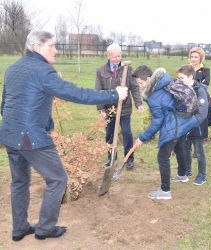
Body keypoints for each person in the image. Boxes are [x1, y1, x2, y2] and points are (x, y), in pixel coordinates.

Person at [0, 31, 128, 241]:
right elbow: (76, 93)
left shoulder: (13, 69)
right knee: (58, 178)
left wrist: (23, 127)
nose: (56, 50)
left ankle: (19, 228)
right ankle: (45, 228)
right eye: (52, 46)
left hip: (10, 134)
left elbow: (5, 105)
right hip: (30, 137)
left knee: (19, 182)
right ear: (37, 47)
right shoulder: (43, 71)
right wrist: (114, 94)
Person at [132, 65, 202, 200]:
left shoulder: (154, 96)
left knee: (163, 156)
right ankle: (182, 174)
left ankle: (165, 191)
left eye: (141, 83)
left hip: (174, 124)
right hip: (184, 120)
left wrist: (142, 137)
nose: (140, 86)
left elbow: (157, 121)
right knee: (180, 145)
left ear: (147, 79)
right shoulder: (165, 82)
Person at [95, 43, 143, 169]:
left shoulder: (128, 69)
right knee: (109, 134)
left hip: (125, 108)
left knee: (127, 133)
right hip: (109, 109)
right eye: (114, 56)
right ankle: (111, 156)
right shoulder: (101, 71)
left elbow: (134, 87)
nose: (117, 59)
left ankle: (129, 158)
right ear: (108, 56)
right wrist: (101, 109)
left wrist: (138, 103)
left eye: (119, 56)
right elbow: (98, 91)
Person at [174, 65, 208, 185]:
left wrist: (191, 123)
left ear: (191, 77)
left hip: (197, 126)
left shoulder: (200, 90)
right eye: (178, 78)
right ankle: (187, 171)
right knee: (185, 149)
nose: (179, 80)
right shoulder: (181, 88)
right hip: (185, 125)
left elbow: (203, 112)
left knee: (198, 151)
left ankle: (202, 175)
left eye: (182, 78)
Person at [189, 47, 211, 159]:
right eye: (192, 57)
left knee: (198, 133)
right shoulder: (186, 69)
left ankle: (197, 151)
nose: (193, 59)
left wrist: (192, 84)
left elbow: (205, 86)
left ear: (201, 58)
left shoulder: (205, 71)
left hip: (200, 105)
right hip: (187, 104)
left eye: (196, 57)